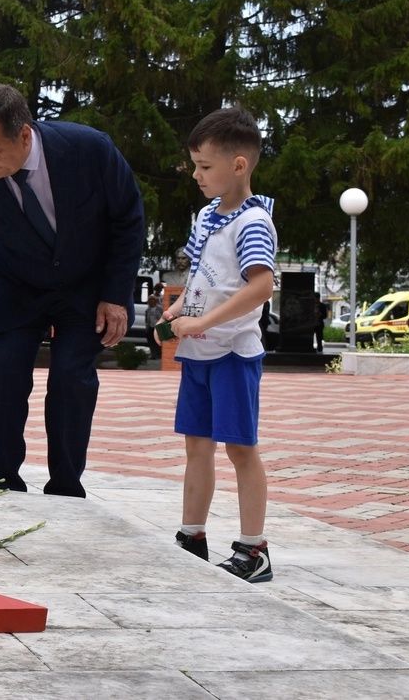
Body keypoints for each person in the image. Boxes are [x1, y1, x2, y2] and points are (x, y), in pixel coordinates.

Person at [0, 84, 144, 497]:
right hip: (17, 285)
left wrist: (116, 295)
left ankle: (66, 488)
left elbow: (128, 219)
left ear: (25, 134)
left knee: (71, 378)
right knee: (7, 377)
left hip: (85, 285)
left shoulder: (90, 150)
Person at [161, 106, 277, 583]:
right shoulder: (207, 216)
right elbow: (201, 277)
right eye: (195, 165)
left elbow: (261, 285)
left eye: (205, 166)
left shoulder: (253, 222)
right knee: (197, 445)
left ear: (238, 165)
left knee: (240, 449)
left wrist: (204, 319)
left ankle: (254, 550)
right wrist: (178, 310)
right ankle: (193, 536)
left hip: (233, 352)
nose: (196, 175)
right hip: (200, 353)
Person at [145, 294, 164, 360]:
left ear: (155, 301)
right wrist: (147, 327)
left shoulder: (160, 308)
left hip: (158, 327)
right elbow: (147, 320)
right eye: (149, 300)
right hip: (150, 327)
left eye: (152, 300)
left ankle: (159, 355)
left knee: (158, 342)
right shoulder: (148, 310)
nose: (151, 301)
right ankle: (153, 355)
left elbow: (162, 317)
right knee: (151, 342)